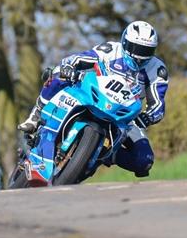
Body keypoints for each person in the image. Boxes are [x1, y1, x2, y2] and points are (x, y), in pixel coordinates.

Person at [18, 20, 168, 178]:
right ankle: (36, 114)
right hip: (91, 96)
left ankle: (103, 154)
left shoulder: (157, 70)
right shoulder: (111, 50)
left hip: (123, 117)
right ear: (125, 42)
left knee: (145, 161)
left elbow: (158, 105)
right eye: (136, 48)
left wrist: (148, 117)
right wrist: (69, 67)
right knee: (58, 73)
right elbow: (78, 58)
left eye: (146, 50)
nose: (139, 56)